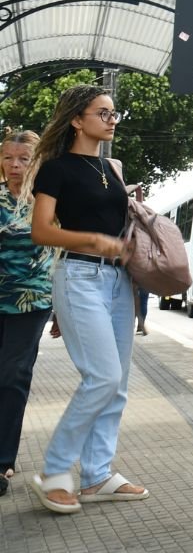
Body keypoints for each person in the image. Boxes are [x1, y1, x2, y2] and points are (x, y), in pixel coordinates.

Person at [27, 85, 147, 513]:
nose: (112, 120)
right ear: (77, 119)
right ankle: (55, 472)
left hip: (118, 283)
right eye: (103, 113)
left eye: (115, 114)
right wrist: (93, 239)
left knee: (118, 386)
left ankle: (97, 474)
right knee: (102, 377)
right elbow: (41, 230)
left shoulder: (110, 168)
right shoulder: (56, 169)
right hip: (79, 275)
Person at [0, 130, 54, 498]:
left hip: (31, 301)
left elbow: (61, 255)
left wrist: (63, 311)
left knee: (12, 373)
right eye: (8, 158)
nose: (15, 165)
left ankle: (3, 458)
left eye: (23, 158)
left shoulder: (49, 200)